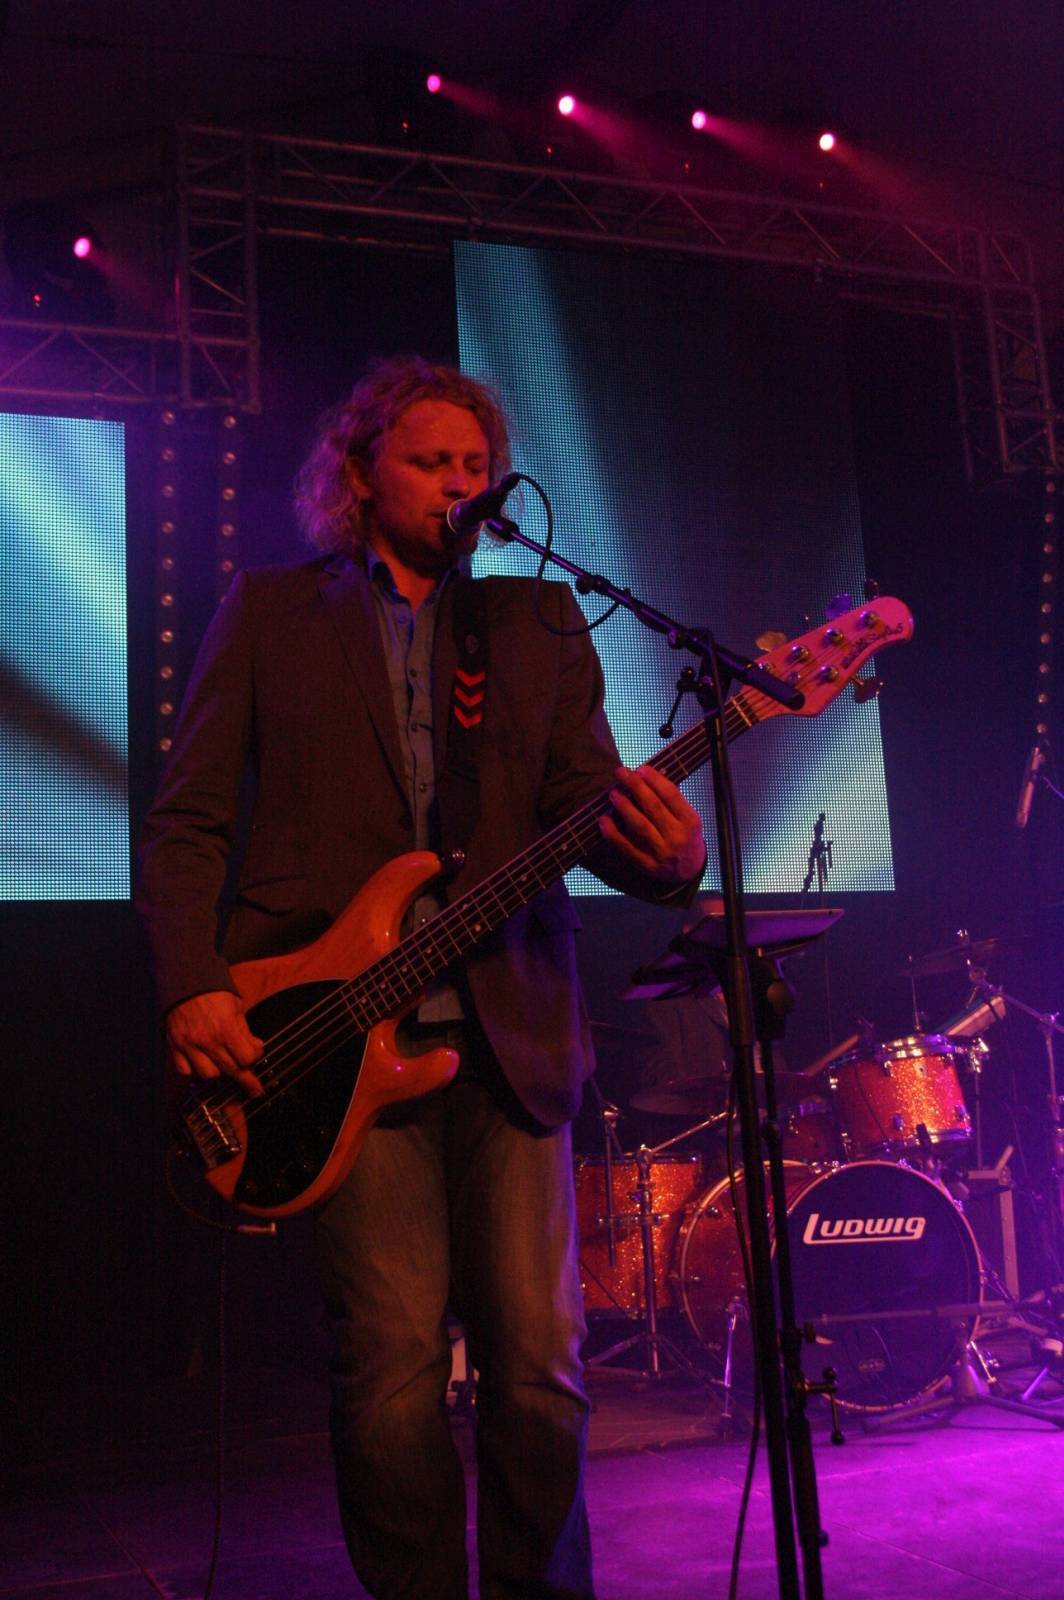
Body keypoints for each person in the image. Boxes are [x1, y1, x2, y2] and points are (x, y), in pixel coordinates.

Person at [136, 356, 706, 1600]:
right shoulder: (270, 613)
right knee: (392, 1369)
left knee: (540, 1365)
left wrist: (671, 858)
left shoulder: (537, 623)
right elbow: (185, 822)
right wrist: (193, 981)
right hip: (334, 1042)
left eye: (475, 464)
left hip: (510, 1034)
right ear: (358, 474)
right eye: (430, 460)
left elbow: (585, 809)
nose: (460, 481)